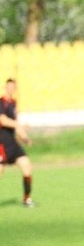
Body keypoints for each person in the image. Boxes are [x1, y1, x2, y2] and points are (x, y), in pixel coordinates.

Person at [0, 78, 35, 207]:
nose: (11, 89)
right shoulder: (1, 103)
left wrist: (25, 138)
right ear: (5, 87)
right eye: (9, 86)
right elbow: (3, 121)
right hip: (1, 144)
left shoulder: (13, 103)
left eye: (13, 87)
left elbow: (16, 127)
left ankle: (27, 199)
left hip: (12, 144)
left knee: (26, 165)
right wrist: (19, 124)